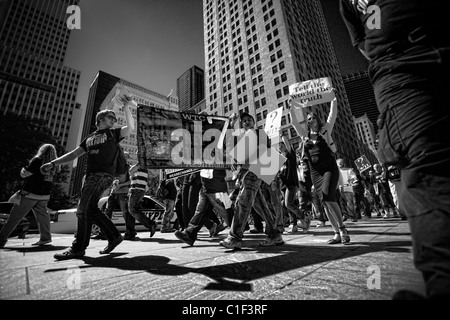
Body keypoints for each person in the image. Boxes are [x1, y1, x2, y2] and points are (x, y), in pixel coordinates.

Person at [340, 0, 450, 299]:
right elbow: (363, 41)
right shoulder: (347, 6)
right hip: (402, 71)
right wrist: (389, 46)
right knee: (429, 172)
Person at [41, 96, 136, 260]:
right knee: (90, 209)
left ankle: (78, 247)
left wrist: (127, 108)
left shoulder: (113, 133)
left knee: (82, 210)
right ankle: (114, 236)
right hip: (91, 176)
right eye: (110, 117)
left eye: (115, 117)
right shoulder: (90, 138)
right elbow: (74, 154)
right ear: (101, 119)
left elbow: (130, 128)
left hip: (103, 175)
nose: (114, 119)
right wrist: (54, 163)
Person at [289, 95, 350, 244]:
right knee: (325, 202)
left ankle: (342, 229)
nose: (311, 120)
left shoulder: (325, 130)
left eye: (313, 118)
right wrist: (291, 106)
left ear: (317, 119)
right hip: (315, 172)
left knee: (328, 196)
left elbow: (332, 114)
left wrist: (334, 99)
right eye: (308, 119)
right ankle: (336, 233)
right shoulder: (305, 135)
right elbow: (293, 122)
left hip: (329, 168)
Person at [220, 112, 284, 249]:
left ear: (253, 122)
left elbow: (267, 153)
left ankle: (234, 237)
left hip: (256, 171)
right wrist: (231, 124)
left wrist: (271, 175)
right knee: (259, 205)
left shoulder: (259, 133)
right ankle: (275, 234)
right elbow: (230, 144)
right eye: (244, 121)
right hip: (244, 172)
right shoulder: (240, 136)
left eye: (249, 120)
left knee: (243, 202)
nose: (246, 122)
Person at [0, 144, 58, 248]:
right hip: (44, 195)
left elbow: (25, 174)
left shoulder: (37, 160)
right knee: (43, 217)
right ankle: (45, 238)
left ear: (42, 150)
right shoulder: (55, 164)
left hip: (30, 194)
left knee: (14, 217)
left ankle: (1, 239)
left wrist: (22, 169)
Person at [174, 169, 231, 246]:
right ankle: (190, 233)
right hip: (205, 177)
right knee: (202, 208)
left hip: (213, 178)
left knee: (222, 207)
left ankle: (237, 230)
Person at [279, 133, 311, 233]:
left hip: (291, 184)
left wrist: (282, 136)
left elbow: (288, 146)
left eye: (282, 145)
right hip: (284, 185)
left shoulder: (290, 156)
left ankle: (304, 219)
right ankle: (294, 225)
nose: (280, 148)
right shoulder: (280, 160)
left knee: (288, 204)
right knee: (288, 204)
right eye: (279, 147)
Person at [127, 161, 157, 240]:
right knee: (133, 210)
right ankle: (149, 224)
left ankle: (150, 224)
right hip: (139, 189)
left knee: (132, 209)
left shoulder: (140, 164)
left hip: (136, 189)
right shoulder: (144, 166)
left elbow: (130, 171)